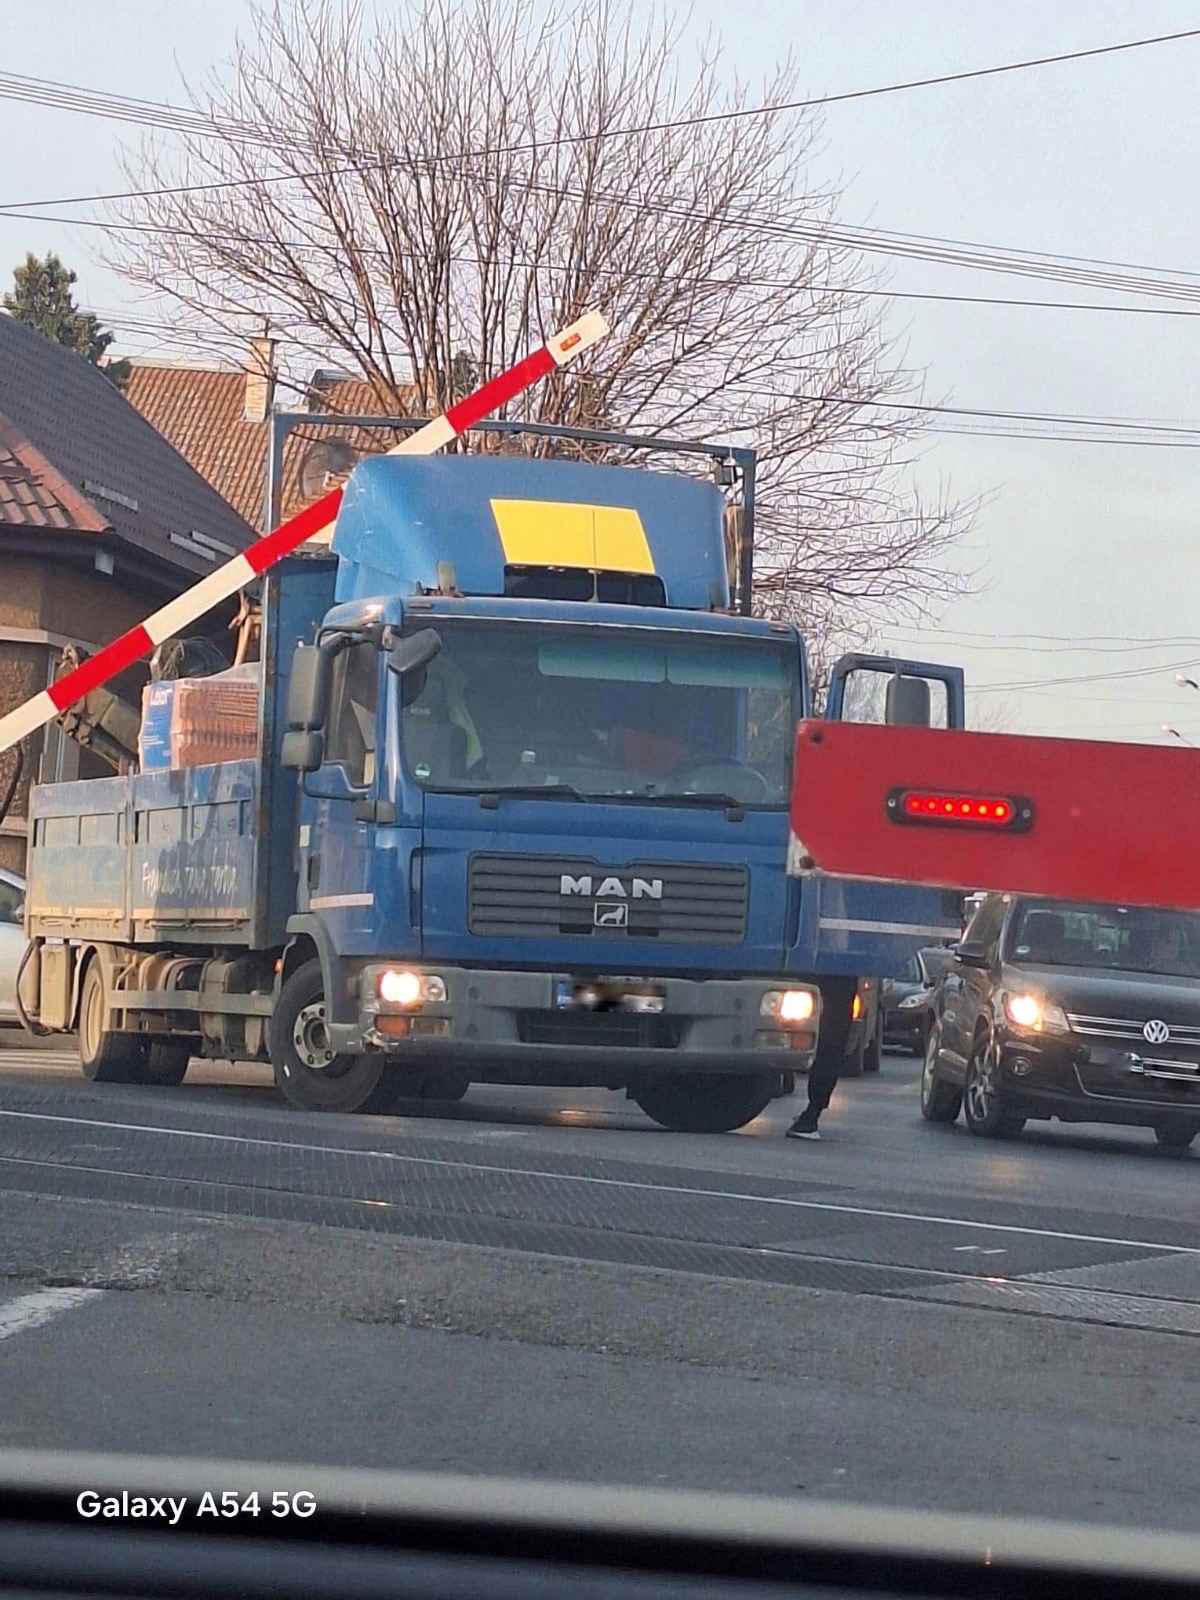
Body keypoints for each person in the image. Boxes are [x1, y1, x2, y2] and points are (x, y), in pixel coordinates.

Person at [786, 976, 857, 1141]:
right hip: (838, 980)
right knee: (832, 1044)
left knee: (830, 1043)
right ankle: (812, 1113)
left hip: (831, 982)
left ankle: (811, 1115)